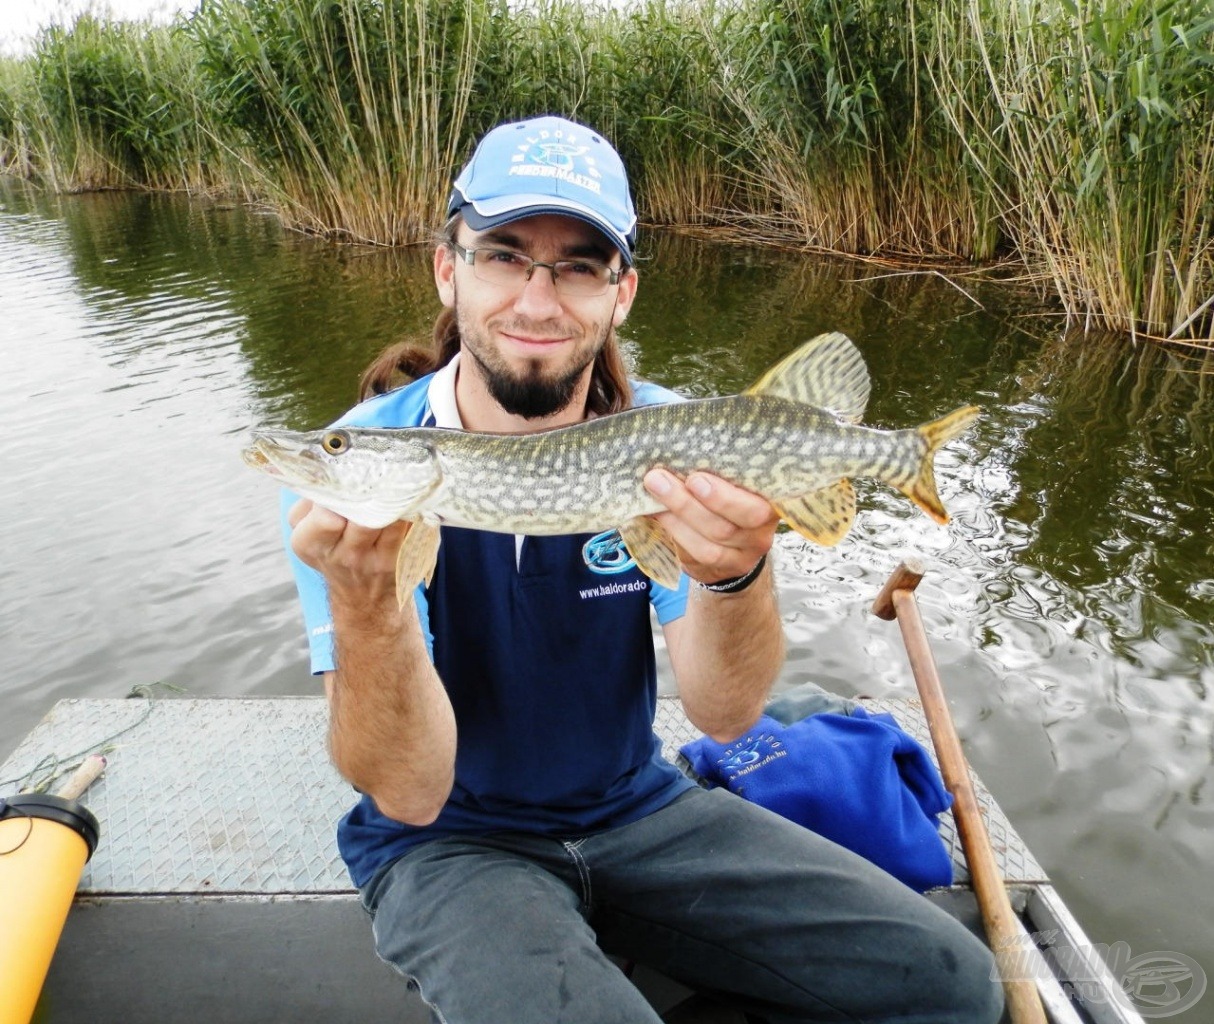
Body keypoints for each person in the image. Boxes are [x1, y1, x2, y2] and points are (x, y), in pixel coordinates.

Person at [281, 115, 1004, 1024]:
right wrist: (367, 603)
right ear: (447, 267)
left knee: (953, 983)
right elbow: (409, 788)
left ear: (621, 293)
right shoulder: (353, 479)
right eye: (504, 255)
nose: (537, 302)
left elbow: (725, 712)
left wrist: (738, 573)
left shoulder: (669, 438)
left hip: (638, 807)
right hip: (447, 843)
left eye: (578, 266)